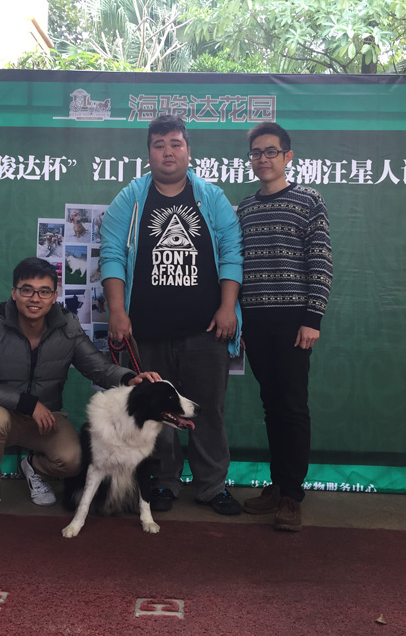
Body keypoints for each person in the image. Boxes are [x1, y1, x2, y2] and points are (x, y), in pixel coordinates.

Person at [100, 113, 244, 516]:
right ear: (148, 153)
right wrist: (117, 310)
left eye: (175, 144)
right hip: (146, 330)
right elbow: (111, 253)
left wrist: (227, 307)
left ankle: (212, 486)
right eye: (159, 144)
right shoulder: (130, 199)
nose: (168, 152)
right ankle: (162, 482)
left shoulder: (211, 197)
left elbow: (232, 253)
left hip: (206, 330)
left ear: (188, 151)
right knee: (155, 412)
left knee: (207, 410)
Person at [0, 257, 159, 530]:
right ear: (14, 292)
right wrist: (28, 403)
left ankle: (34, 468)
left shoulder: (67, 328)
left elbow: (98, 368)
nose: (35, 298)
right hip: (4, 413)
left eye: (44, 291)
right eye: (27, 290)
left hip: (47, 418)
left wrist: (129, 378)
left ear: (54, 296)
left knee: (74, 461)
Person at [237, 122, 332, 531]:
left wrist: (312, 318)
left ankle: (292, 495)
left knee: (293, 407)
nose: (263, 159)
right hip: (255, 322)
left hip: (295, 322)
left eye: (271, 151)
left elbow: (320, 261)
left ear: (287, 156)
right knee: (271, 405)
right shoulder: (244, 208)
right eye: (256, 152)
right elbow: (236, 266)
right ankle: (277, 486)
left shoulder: (309, 200)